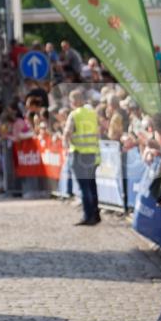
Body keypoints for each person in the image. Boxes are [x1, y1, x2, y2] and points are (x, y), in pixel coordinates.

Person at [63, 88, 101, 226]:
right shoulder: (92, 113)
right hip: (92, 154)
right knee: (92, 185)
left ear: (74, 101)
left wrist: (66, 146)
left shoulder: (74, 114)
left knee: (84, 187)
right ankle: (96, 215)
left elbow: (67, 133)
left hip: (79, 154)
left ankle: (88, 216)